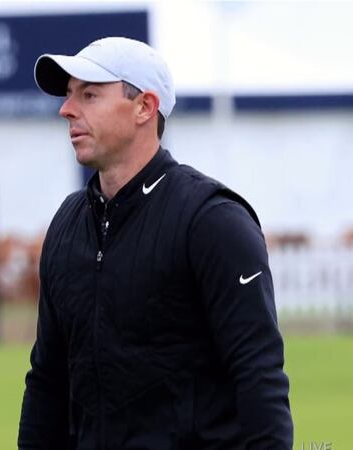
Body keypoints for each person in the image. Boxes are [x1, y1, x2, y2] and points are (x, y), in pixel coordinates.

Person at [18, 37, 293, 449]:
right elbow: (47, 381)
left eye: (89, 94)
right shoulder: (66, 225)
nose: (66, 109)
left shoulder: (212, 220)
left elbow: (258, 372)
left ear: (144, 107)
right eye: (69, 95)